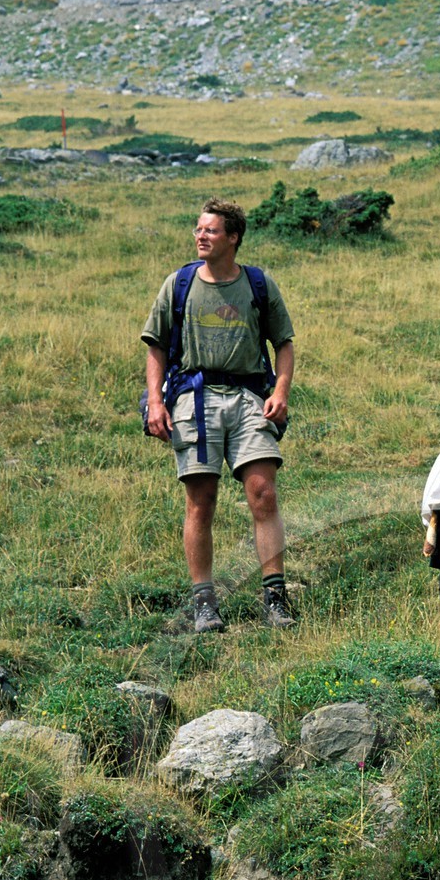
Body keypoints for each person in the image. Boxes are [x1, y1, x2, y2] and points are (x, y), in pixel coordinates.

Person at [142, 197, 296, 632]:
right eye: (198, 229)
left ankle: (275, 600)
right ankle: (204, 603)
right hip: (194, 398)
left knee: (263, 494)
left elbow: (283, 343)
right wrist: (156, 401)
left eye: (210, 230)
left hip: (249, 396)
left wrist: (280, 391)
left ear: (233, 238)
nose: (200, 236)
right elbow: (155, 345)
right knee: (201, 502)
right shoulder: (179, 284)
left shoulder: (258, 285)